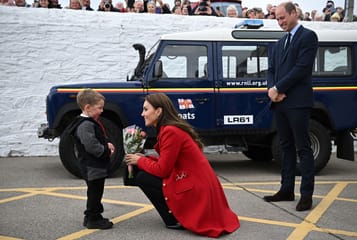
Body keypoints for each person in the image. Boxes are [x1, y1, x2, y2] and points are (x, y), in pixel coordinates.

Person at [124, 93, 240, 238]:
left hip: (195, 187)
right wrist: (145, 158)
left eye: (146, 109)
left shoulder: (170, 131)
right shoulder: (170, 128)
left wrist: (140, 161)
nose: (142, 114)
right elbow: (169, 162)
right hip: (197, 182)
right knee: (141, 171)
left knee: (142, 177)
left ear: (159, 111)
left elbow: (162, 170)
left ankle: (173, 219)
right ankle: (174, 214)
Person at [265, 2, 318, 212]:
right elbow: (270, 70)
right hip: (280, 103)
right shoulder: (278, 44)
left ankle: (306, 195)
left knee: (303, 148)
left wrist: (278, 87)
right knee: (285, 147)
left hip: (298, 103)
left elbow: (302, 69)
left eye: (282, 17)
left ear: (294, 13)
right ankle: (286, 189)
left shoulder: (308, 37)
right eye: (277, 19)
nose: (280, 22)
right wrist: (272, 89)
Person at [73, 88, 115, 229]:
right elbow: (91, 145)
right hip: (92, 166)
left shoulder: (88, 122)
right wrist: (105, 151)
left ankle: (92, 216)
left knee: (95, 192)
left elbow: (97, 139)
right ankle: (93, 219)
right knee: (95, 193)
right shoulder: (85, 125)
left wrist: (106, 143)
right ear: (88, 107)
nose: (102, 111)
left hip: (94, 166)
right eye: (99, 108)